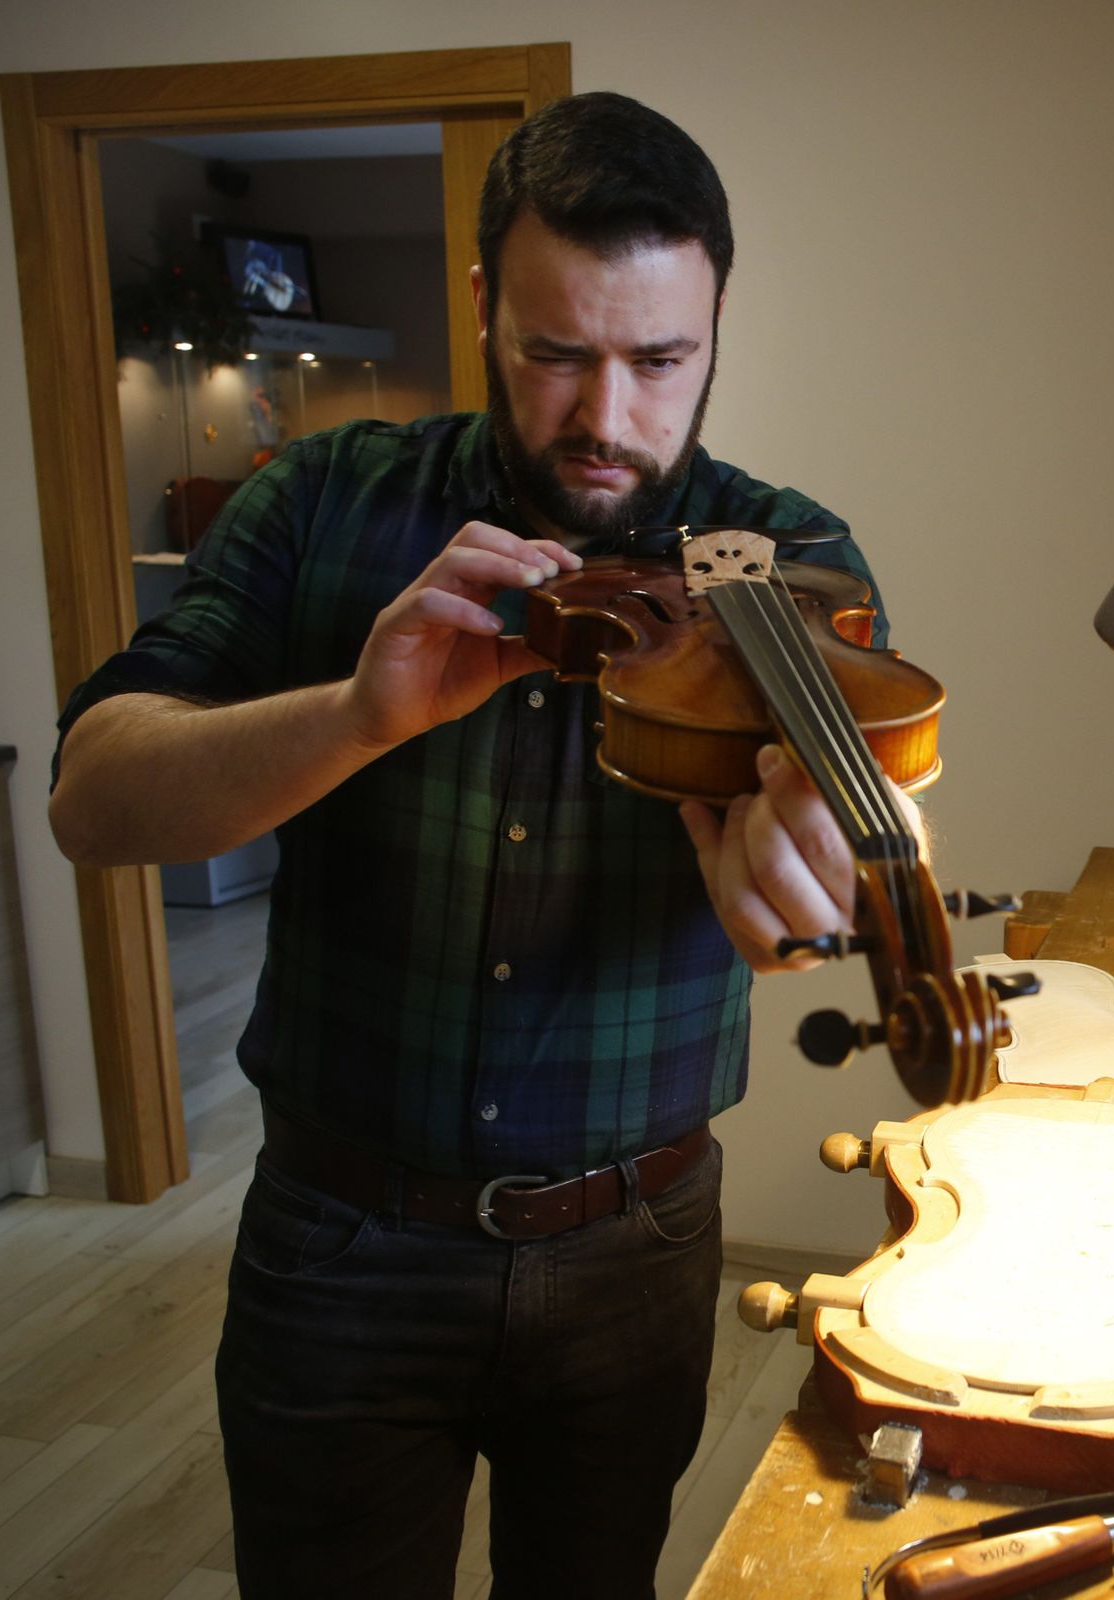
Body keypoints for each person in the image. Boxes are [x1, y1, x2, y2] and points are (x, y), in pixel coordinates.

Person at [49, 92, 897, 1598]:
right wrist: (357, 717)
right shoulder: (320, 503)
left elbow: (810, 849)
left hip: (635, 1250)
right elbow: (95, 797)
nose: (607, 419)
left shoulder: (792, 562)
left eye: (660, 361)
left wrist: (793, 880)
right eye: (556, 353)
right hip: (337, 1243)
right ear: (485, 305)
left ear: (716, 320)